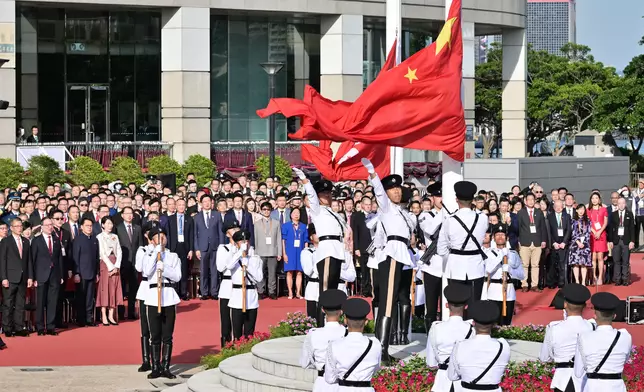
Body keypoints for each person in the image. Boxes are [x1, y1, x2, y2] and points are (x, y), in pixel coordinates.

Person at [361, 158, 415, 362]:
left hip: (399, 254)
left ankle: (381, 348)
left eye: (398, 189)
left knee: (391, 301)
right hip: (392, 254)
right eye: (392, 189)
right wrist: (373, 174)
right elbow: (378, 192)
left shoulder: (401, 212)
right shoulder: (386, 207)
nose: (397, 192)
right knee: (387, 301)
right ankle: (381, 350)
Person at [293, 167, 347, 328]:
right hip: (327, 250)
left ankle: (333, 322)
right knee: (325, 290)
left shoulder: (334, 212)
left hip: (337, 250)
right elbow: (311, 196)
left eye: (329, 194)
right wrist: (305, 181)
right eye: (324, 194)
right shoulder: (317, 210)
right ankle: (322, 324)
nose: (328, 196)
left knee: (333, 289)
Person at [437, 181, 488, 318]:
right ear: (473, 200)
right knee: (474, 305)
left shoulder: (450, 220)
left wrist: (452, 257)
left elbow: (441, 249)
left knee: (456, 307)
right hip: (475, 265)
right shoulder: (483, 218)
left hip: (455, 266)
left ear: (456, 200)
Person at [141, 226, 182, 379]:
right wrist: (155, 256)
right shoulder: (148, 254)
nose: (161, 239)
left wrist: (164, 268)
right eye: (158, 237)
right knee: (155, 335)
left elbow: (177, 276)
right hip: (153, 296)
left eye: (163, 236)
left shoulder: (173, 256)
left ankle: (165, 366)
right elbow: (146, 271)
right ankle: (155, 367)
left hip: (168, 295)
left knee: (167, 335)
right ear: (152, 240)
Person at [539, 283, 596, 392]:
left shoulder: (554, 327)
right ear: (584, 306)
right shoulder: (591, 326)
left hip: (562, 381)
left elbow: (544, 358)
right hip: (585, 381)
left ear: (565, 305)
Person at [574, 292, 632, 392]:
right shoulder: (625, 337)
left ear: (595, 315)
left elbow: (578, 372)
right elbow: (625, 359)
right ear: (614, 316)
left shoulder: (584, 337)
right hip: (617, 387)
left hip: (593, 387)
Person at [447, 301, 510, 392]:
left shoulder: (460, 346)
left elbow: (452, 376)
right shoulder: (503, 346)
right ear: (493, 325)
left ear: (473, 323)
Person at [426, 283, 476, 392]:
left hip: (441, 384)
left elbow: (431, 364)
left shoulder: (436, 328)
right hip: (464, 383)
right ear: (466, 306)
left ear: (446, 305)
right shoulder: (472, 330)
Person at [324, 297, 381, 389]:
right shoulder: (375, 344)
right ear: (366, 322)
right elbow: (376, 369)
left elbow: (329, 378)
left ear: (345, 321)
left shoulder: (335, 345)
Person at [299, 289, 348, 392]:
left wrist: (319, 365)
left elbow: (305, 363)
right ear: (342, 311)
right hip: (344, 384)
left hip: (321, 383)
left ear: (322, 310)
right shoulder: (347, 333)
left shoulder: (314, 334)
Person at [418, 182, 447, 333]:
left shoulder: (451, 215)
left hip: (447, 264)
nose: (440, 198)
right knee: (431, 302)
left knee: (446, 303)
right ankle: (430, 333)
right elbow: (430, 230)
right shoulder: (425, 215)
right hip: (432, 264)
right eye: (438, 196)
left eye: (442, 195)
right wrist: (444, 212)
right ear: (432, 198)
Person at [482, 223, 523, 325]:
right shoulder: (489, 253)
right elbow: (488, 269)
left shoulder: (513, 253)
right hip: (494, 291)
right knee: (494, 322)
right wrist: (501, 255)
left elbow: (521, 274)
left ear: (507, 238)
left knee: (506, 323)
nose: (500, 237)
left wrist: (510, 269)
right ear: (494, 238)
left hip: (509, 291)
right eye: (497, 235)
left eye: (503, 235)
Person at [224, 230, 263, 339]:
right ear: (237, 244)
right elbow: (229, 266)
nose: (245, 244)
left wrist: (248, 265)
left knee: (249, 334)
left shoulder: (255, 259)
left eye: (246, 241)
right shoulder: (233, 258)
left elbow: (259, 278)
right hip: (237, 298)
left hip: (251, 299)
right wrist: (240, 253)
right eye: (241, 242)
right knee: (237, 334)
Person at [31, 217, 64, 335]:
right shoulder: (36, 240)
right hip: (40, 275)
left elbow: (59, 258)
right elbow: (32, 260)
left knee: (52, 302)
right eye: (47, 225)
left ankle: (51, 326)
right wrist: (33, 277)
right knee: (40, 302)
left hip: (54, 275)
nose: (50, 227)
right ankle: (40, 327)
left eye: (51, 225)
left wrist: (60, 275)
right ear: (42, 227)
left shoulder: (56, 240)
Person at [135, 221, 158, 373]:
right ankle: (146, 360)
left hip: (158, 290)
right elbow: (140, 268)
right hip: (145, 289)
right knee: (145, 327)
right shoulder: (142, 250)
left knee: (157, 327)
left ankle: (157, 360)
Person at [216, 219, 242, 347]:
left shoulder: (245, 248)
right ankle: (225, 347)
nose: (236, 231)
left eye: (238, 229)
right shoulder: (223, 248)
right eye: (233, 229)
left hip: (240, 287)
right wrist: (234, 252)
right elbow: (220, 267)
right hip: (227, 286)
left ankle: (240, 345)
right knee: (226, 321)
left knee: (239, 320)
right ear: (227, 234)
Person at [193, 194, 224, 300]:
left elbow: (220, 232)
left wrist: (221, 246)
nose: (206, 203)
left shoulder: (217, 215)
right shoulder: (196, 217)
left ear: (212, 203)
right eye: (204, 201)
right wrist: (196, 248)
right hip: (202, 247)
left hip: (215, 246)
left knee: (215, 271)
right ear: (201, 204)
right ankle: (204, 292)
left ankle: (214, 292)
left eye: (208, 201)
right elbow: (195, 235)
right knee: (203, 271)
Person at [517, 192, 548, 292]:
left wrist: (543, 240)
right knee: (524, 265)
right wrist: (518, 241)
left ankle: (534, 285)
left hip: (537, 242)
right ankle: (524, 284)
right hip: (524, 242)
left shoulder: (539, 212)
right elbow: (518, 228)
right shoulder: (521, 213)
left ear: (535, 201)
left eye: (532, 199)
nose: (530, 201)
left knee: (535, 265)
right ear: (525, 201)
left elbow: (543, 227)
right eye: (528, 199)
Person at [96, 216, 123, 326]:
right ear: (102, 225)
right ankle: (104, 315)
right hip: (105, 263)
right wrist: (111, 267)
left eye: (111, 223)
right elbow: (102, 253)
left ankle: (111, 314)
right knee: (105, 289)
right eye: (107, 223)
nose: (109, 226)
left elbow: (119, 251)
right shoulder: (99, 237)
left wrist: (117, 266)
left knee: (114, 289)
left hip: (115, 262)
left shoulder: (115, 236)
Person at [73, 217, 100, 327]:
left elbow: (97, 257)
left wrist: (97, 272)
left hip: (92, 272)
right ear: (81, 227)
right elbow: (75, 257)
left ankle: (89, 318)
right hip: (82, 273)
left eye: (90, 226)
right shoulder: (78, 239)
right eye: (87, 226)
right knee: (81, 297)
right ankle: (81, 319)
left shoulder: (94, 239)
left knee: (90, 297)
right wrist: (77, 273)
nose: (89, 228)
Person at [254, 202, 282, 300]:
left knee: (272, 273)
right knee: (260, 273)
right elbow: (255, 239)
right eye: (264, 209)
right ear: (261, 210)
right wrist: (255, 253)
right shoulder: (256, 224)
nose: (266, 211)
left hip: (272, 251)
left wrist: (279, 253)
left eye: (268, 209)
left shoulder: (276, 222)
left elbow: (279, 238)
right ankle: (261, 291)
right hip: (260, 252)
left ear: (271, 211)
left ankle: (271, 291)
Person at [607, 197, 635, 286]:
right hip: (616, 240)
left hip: (626, 240)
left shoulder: (629, 214)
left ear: (625, 204)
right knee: (616, 261)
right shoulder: (613, 214)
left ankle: (625, 279)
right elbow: (610, 228)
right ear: (617, 204)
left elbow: (632, 228)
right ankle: (618, 279)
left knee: (625, 261)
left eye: (623, 203)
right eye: (619, 203)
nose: (621, 205)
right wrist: (610, 240)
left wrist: (632, 241)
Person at [282, 208, 308, 299]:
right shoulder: (286, 226)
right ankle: (290, 292)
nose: (296, 214)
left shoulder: (303, 226)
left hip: (300, 251)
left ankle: (298, 292)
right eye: (294, 213)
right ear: (291, 215)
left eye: (298, 213)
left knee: (299, 272)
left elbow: (306, 241)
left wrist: (306, 253)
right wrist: (284, 253)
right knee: (289, 272)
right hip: (289, 251)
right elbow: (283, 240)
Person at [548, 200, 572, 288]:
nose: (558, 208)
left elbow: (569, 230)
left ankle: (561, 282)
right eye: (556, 206)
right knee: (552, 264)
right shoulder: (549, 216)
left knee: (562, 264)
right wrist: (553, 242)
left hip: (563, 244)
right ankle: (552, 283)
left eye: (560, 206)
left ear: (563, 206)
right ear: (553, 207)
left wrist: (564, 242)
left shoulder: (567, 216)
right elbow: (548, 231)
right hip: (554, 243)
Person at [588, 192, 608, 286]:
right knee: (593, 258)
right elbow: (588, 223)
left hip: (601, 235)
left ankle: (600, 277)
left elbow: (605, 222)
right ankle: (594, 277)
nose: (595, 200)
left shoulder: (604, 209)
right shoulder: (588, 210)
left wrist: (599, 232)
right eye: (593, 198)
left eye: (596, 198)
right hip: (592, 235)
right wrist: (594, 231)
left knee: (600, 257)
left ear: (599, 199)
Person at [301, 224, 320, 319]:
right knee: (313, 319)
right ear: (311, 237)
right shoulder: (307, 252)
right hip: (313, 287)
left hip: (326, 288)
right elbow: (307, 271)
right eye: (316, 233)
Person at [569, 205, 592, 286]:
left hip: (585, 244)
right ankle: (577, 281)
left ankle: (583, 282)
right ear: (576, 210)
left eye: (583, 209)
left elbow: (589, 232)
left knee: (584, 263)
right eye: (579, 209)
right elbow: (572, 233)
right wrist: (578, 242)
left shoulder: (588, 220)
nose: (581, 211)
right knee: (576, 263)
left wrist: (584, 242)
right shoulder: (573, 221)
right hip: (575, 244)